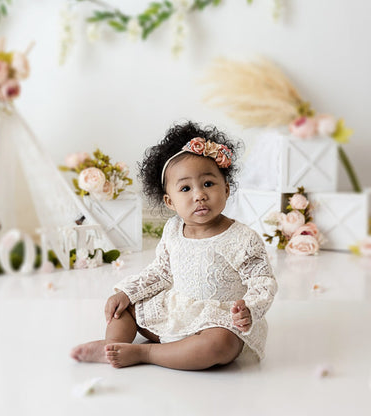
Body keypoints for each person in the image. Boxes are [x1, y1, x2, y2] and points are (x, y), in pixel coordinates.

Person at [71, 121, 277, 370]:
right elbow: (161, 271)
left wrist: (248, 310)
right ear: (170, 201)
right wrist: (127, 293)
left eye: (208, 184)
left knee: (220, 344)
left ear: (226, 188)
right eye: (185, 188)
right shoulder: (173, 230)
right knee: (124, 309)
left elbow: (262, 282)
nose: (199, 195)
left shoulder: (242, 238)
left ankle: (145, 353)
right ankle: (111, 345)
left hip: (218, 320)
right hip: (177, 310)